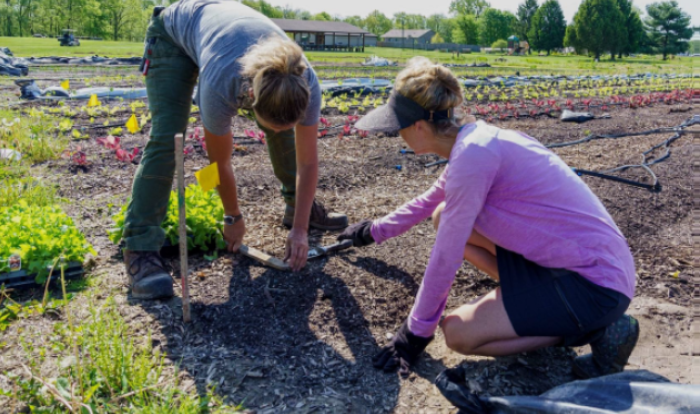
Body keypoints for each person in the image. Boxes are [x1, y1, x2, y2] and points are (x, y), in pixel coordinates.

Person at [339, 57, 639, 379]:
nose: (395, 132)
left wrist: (417, 331)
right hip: (579, 265)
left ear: (420, 127)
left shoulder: (474, 156)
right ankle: (547, 308)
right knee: (442, 215)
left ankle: (598, 331)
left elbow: (446, 254)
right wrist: (374, 231)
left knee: (456, 333)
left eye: (398, 125)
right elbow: (430, 201)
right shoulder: (476, 141)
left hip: (596, 285)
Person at [123, 0, 347, 300]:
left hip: (226, 39)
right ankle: (140, 246)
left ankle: (298, 209)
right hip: (173, 36)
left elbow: (308, 163)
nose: (281, 130)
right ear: (250, 95)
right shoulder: (221, 84)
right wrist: (232, 216)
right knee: (167, 138)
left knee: (280, 128)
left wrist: (301, 228)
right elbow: (219, 162)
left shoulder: (304, 83)